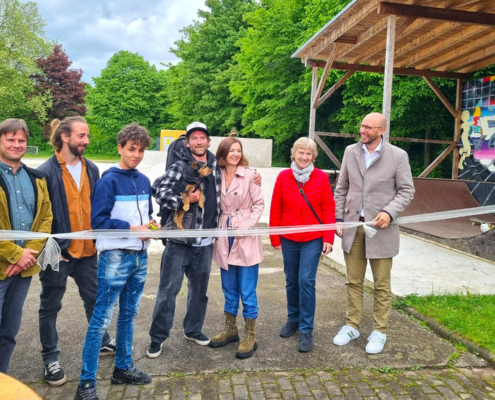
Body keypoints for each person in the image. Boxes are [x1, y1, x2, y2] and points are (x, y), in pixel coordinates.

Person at [147, 122, 261, 359]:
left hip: (207, 242)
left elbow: (237, 175)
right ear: (188, 142)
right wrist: (183, 199)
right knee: (169, 291)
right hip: (180, 241)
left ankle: (193, 330)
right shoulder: (179, 166)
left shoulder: (215, 167)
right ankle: (157, 338)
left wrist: (254, 174)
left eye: (203, 138)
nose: (199, 142)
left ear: (209, 142)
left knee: (199, 292)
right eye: (194, 138)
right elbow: (160, 192)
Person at [75, 123, 158, 400]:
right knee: (101, 319)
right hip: (114, 258)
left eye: (141, 150)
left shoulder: (144, 181)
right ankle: (85, 383)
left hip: (139, 258)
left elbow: (144, 218)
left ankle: (122, 367)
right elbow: (97, 222)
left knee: (129, 315)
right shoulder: (108, 180)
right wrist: (134, 230)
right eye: (131, 149)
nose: (136, 155)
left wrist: (151, 227)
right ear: (120, 147)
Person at [37, 116, 115, 387]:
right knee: (50, 306)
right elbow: (40, 218)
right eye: (82, 136)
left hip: (88, 254)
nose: (87, 141)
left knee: (95, 301)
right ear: (65, 137)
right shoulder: (44, 172)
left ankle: (104, 341)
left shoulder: (92, 168)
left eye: (87, 136)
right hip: (57, 255)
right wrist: (51, 249)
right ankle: (50, 359)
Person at [332, 112, 414, 354]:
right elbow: (342, 187)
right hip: (353, 227)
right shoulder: (350, 152)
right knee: (353, 281)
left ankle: (379, 331)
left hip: (382, 230)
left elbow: (407, 191)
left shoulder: (398, 156)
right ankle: (352, 326)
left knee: (381, 285)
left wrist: (390, 211)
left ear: (381, 131)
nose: (363, 130)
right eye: (362, 126)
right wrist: (339, 217)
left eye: (369, 127)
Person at [269, 137, 335, 353]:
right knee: (291, 281)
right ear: (294, 154)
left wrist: (328, 237)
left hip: (312, 239)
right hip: (288, 237)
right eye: (301, 153)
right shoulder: (283, 176)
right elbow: (275, 207)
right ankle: (293, 320)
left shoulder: (321, 178)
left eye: (308, 154)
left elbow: (328, 208)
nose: (304, 157)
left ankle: (306, 330)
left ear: (313, 157)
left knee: (306, 280)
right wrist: (275, 237)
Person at [0, 118, 52, 373]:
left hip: (22, 271)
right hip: (4, 267)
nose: (17, 144)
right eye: (10, 139)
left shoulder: (37, 179)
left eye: (21, 140)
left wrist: (27, 255)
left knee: (8, 333)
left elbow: (45, 218)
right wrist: (15, 254)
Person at [210, 138, 264, 359]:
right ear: (222, 153)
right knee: (228, 286)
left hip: (245, 235)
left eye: (238, 150)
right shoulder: (215, 174)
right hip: (224, 235)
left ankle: (250, 334)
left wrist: (245, 225)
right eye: (231, 150)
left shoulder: (251, 175)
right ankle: (230, 329)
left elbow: (259, 204)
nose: (235, 154)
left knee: (247, 288)